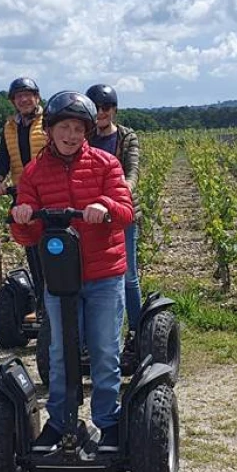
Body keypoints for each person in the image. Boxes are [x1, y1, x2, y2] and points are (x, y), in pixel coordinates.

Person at [10, 91, 134, 450]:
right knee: (61, 355)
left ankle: (108, 422)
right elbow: (27, 233)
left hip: (103, 275)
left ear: (87, 131)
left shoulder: (106, 164)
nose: (71, 135)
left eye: (78, 128)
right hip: (61, 280)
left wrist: (105, 205)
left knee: (104, 352)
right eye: (64, 127)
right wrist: (22, 216)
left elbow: (125, 212)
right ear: (49, 130)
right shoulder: (34, 173)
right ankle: (60, 421)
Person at [85, 83, 142, 351]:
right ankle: (94, 335)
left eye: (105, 107)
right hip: (90, 215)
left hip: (120, 212)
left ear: (114, 110)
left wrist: (117, 194)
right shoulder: (83, 137)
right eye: (95, 108)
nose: (100, 112)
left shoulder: (127, 137)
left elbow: (131, 173)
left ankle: (136, 332)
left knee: (128, 275)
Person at [0, 77, 48, 309]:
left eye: (28, 94)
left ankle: (54, 300)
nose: (24, 99)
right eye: (18, 96)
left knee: (52, 247)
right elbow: (3, 156)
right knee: (32, 248)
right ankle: (42, 302)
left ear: (37, 97)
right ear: (13, 101)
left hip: (48, 192)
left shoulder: (49, 121)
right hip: (22, 194)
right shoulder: (10, 127)